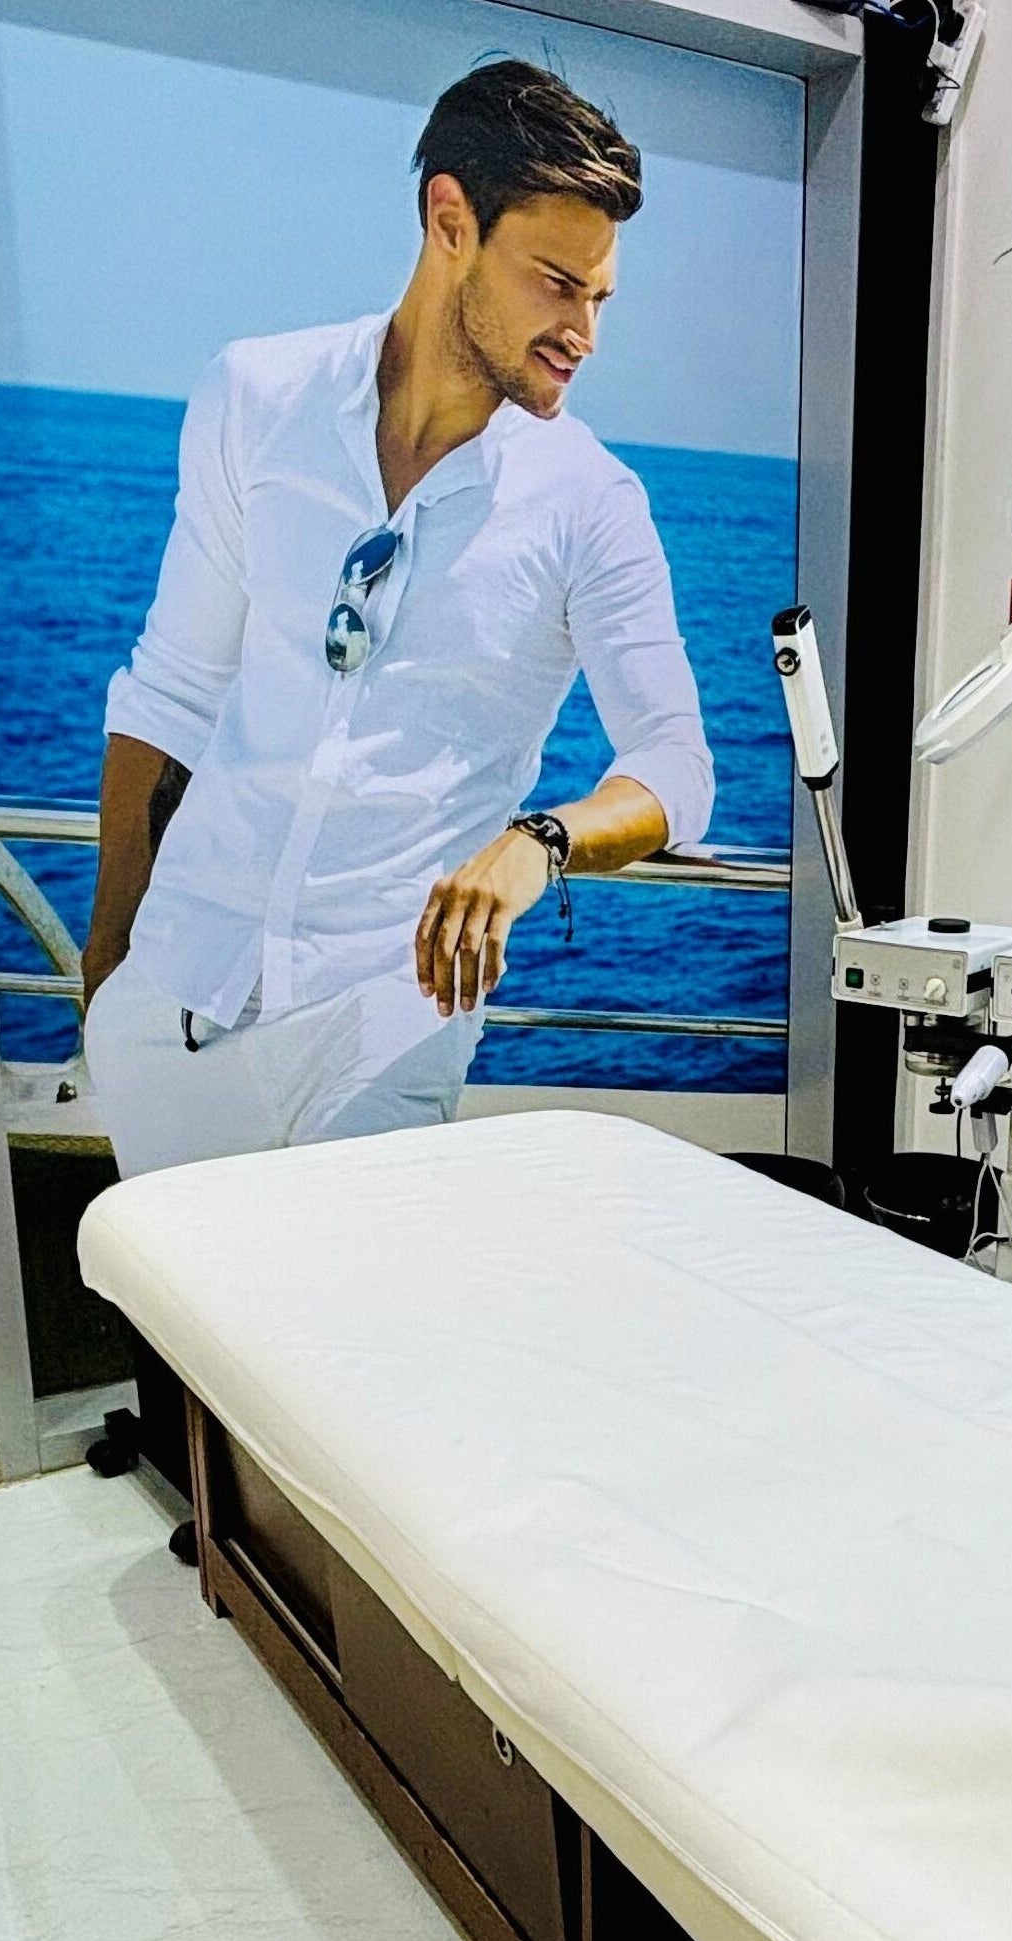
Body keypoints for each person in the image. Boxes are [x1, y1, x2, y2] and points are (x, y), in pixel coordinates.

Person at [80, 59, 714, 1178]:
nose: (584, 333)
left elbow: (675, 770)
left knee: (325, 1346)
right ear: (450, 221)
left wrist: (536, 843)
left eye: (600, 298)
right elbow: (171, 688)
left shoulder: (590, 504)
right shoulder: (254, 397)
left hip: (385, 1022)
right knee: (169, 1351)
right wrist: (108, 965)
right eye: (557, 283)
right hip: (179, 991)